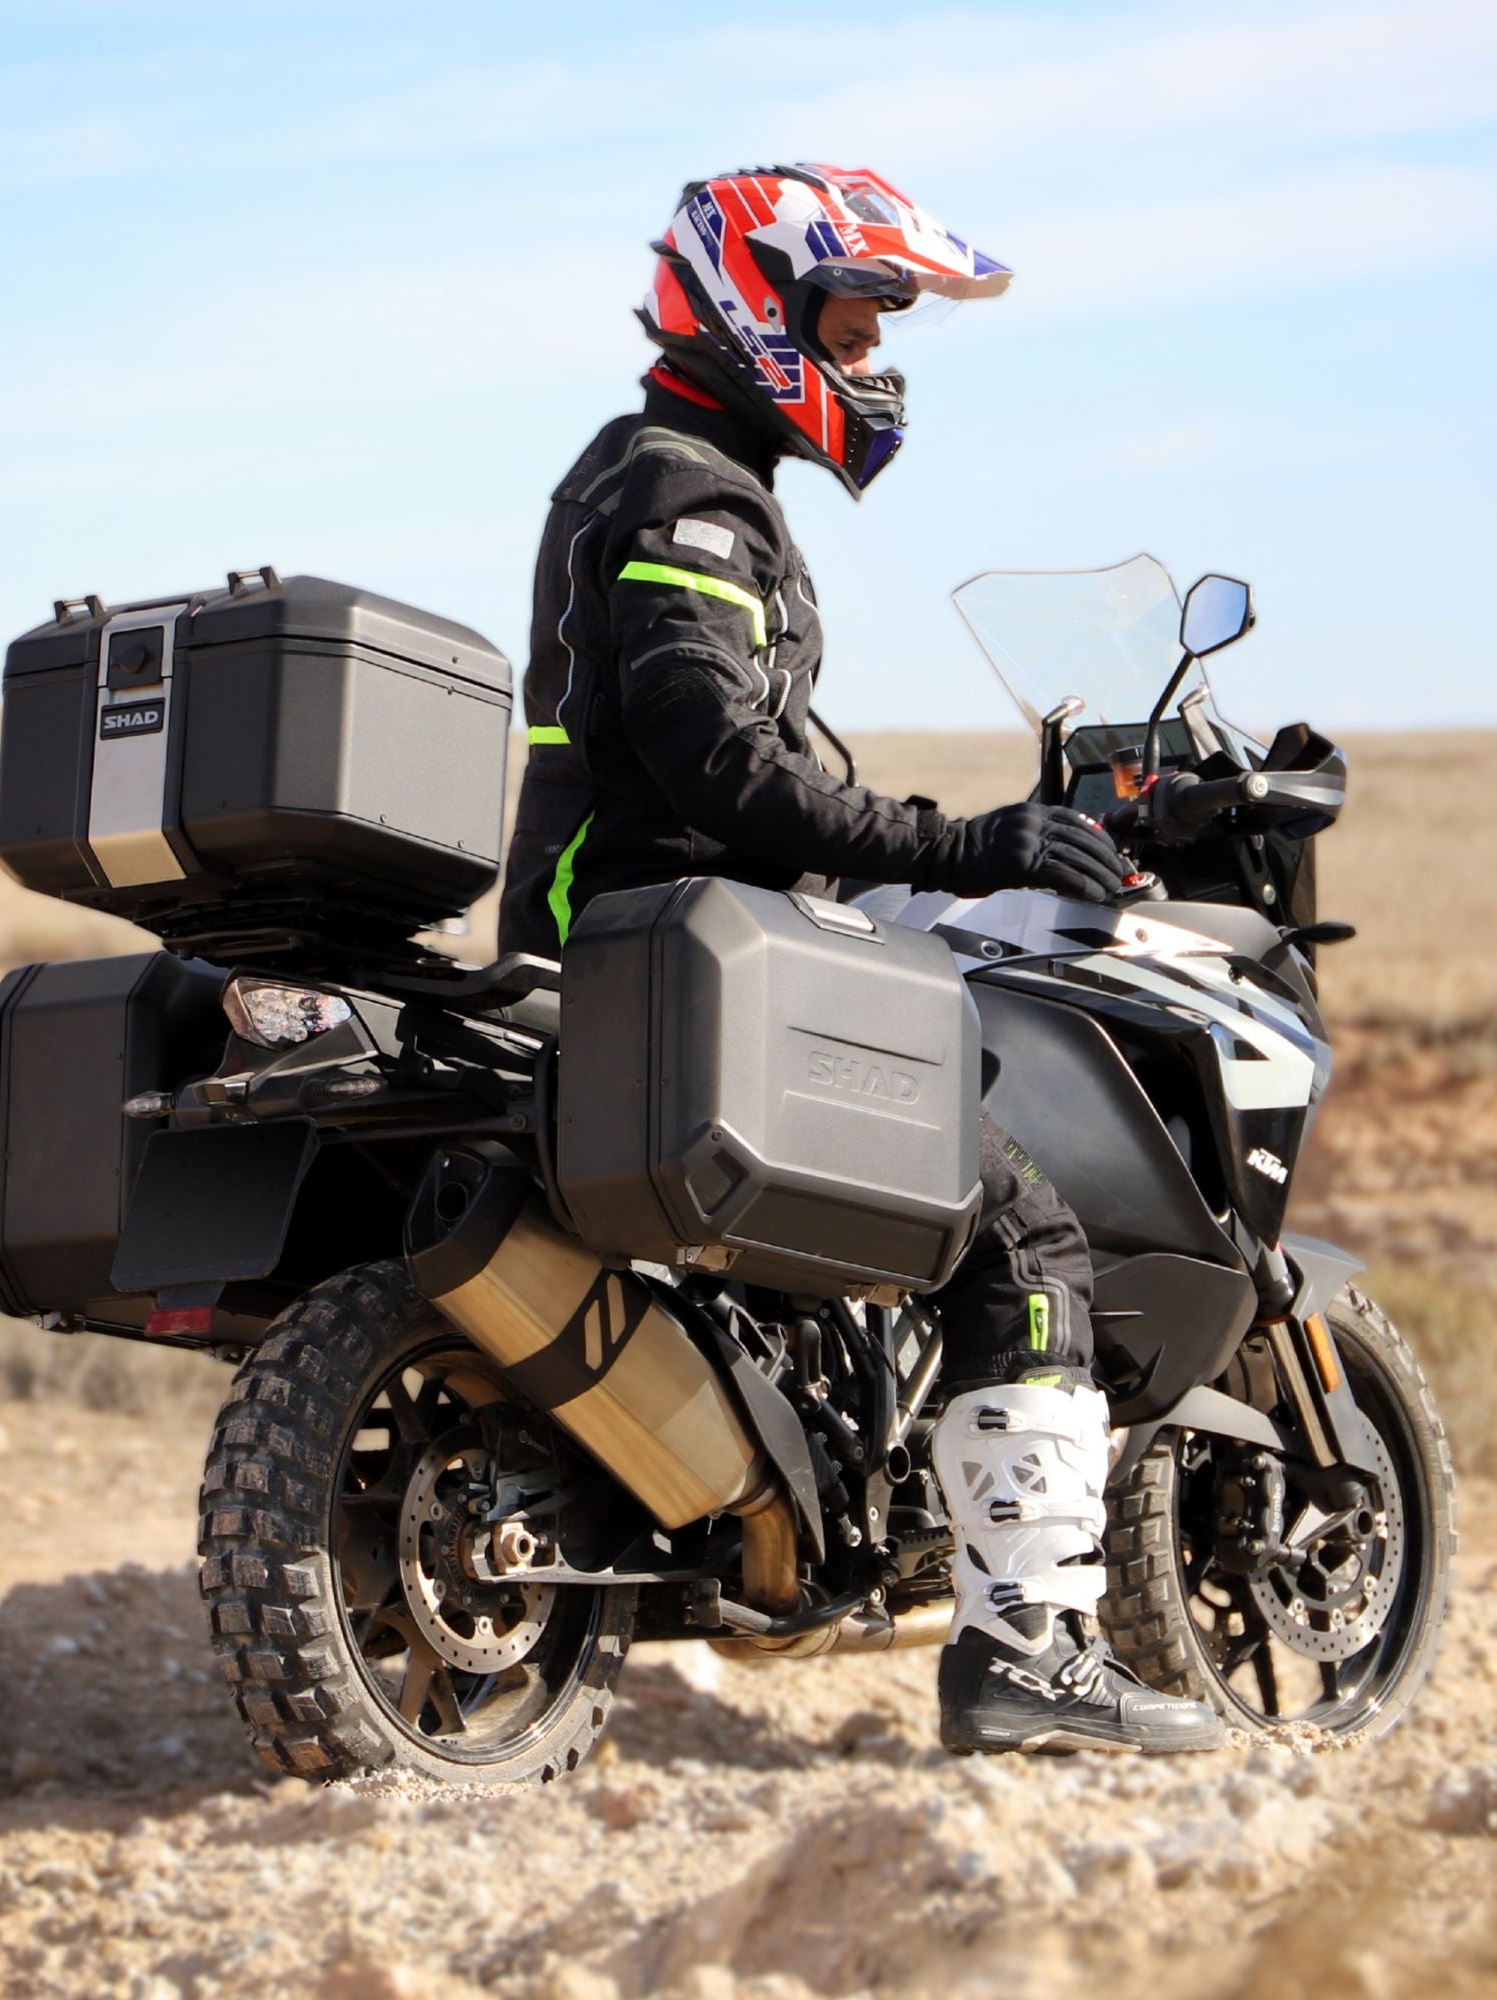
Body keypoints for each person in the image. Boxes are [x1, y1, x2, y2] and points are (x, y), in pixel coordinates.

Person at [498, 164, 1226, 1755]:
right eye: (851, 313)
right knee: (1019, 1236)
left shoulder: (667, 473)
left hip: (656, 938)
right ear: (759, 301)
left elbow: (737, 759)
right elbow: (717, 770)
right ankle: (1029, 1648)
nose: (872, 355)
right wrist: (966, 846)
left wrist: (922, 846)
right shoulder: (688, 490)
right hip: (657, 952)